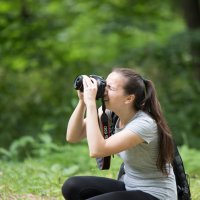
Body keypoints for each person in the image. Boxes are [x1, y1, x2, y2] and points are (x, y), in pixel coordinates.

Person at [62, 68, 177, 200]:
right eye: (105, 84)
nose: (104, 90)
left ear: (129, 98)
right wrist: (83, 102)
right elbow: (73, 136)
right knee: (72, 186)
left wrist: (91, 104)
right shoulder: (112, 113)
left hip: (155, 195)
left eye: (110, 88)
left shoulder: (144, 124)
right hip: (129, 186)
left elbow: (97, 150)